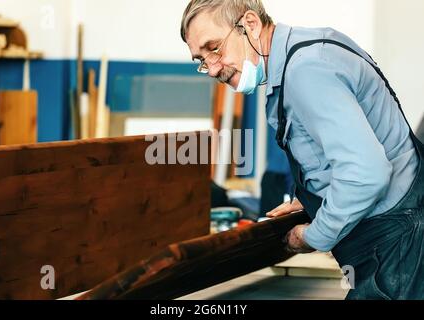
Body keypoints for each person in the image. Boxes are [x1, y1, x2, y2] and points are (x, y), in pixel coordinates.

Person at [180, 0, 424, 299]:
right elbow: (333, 152)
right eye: (201, 59)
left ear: (251, 25)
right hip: (397, 232)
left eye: (214, 47)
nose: (212, 68)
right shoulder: (311, 47)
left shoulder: (305, 71)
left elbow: (366, 174)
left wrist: (312, 236)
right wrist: (308, 198)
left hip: (396, 242)